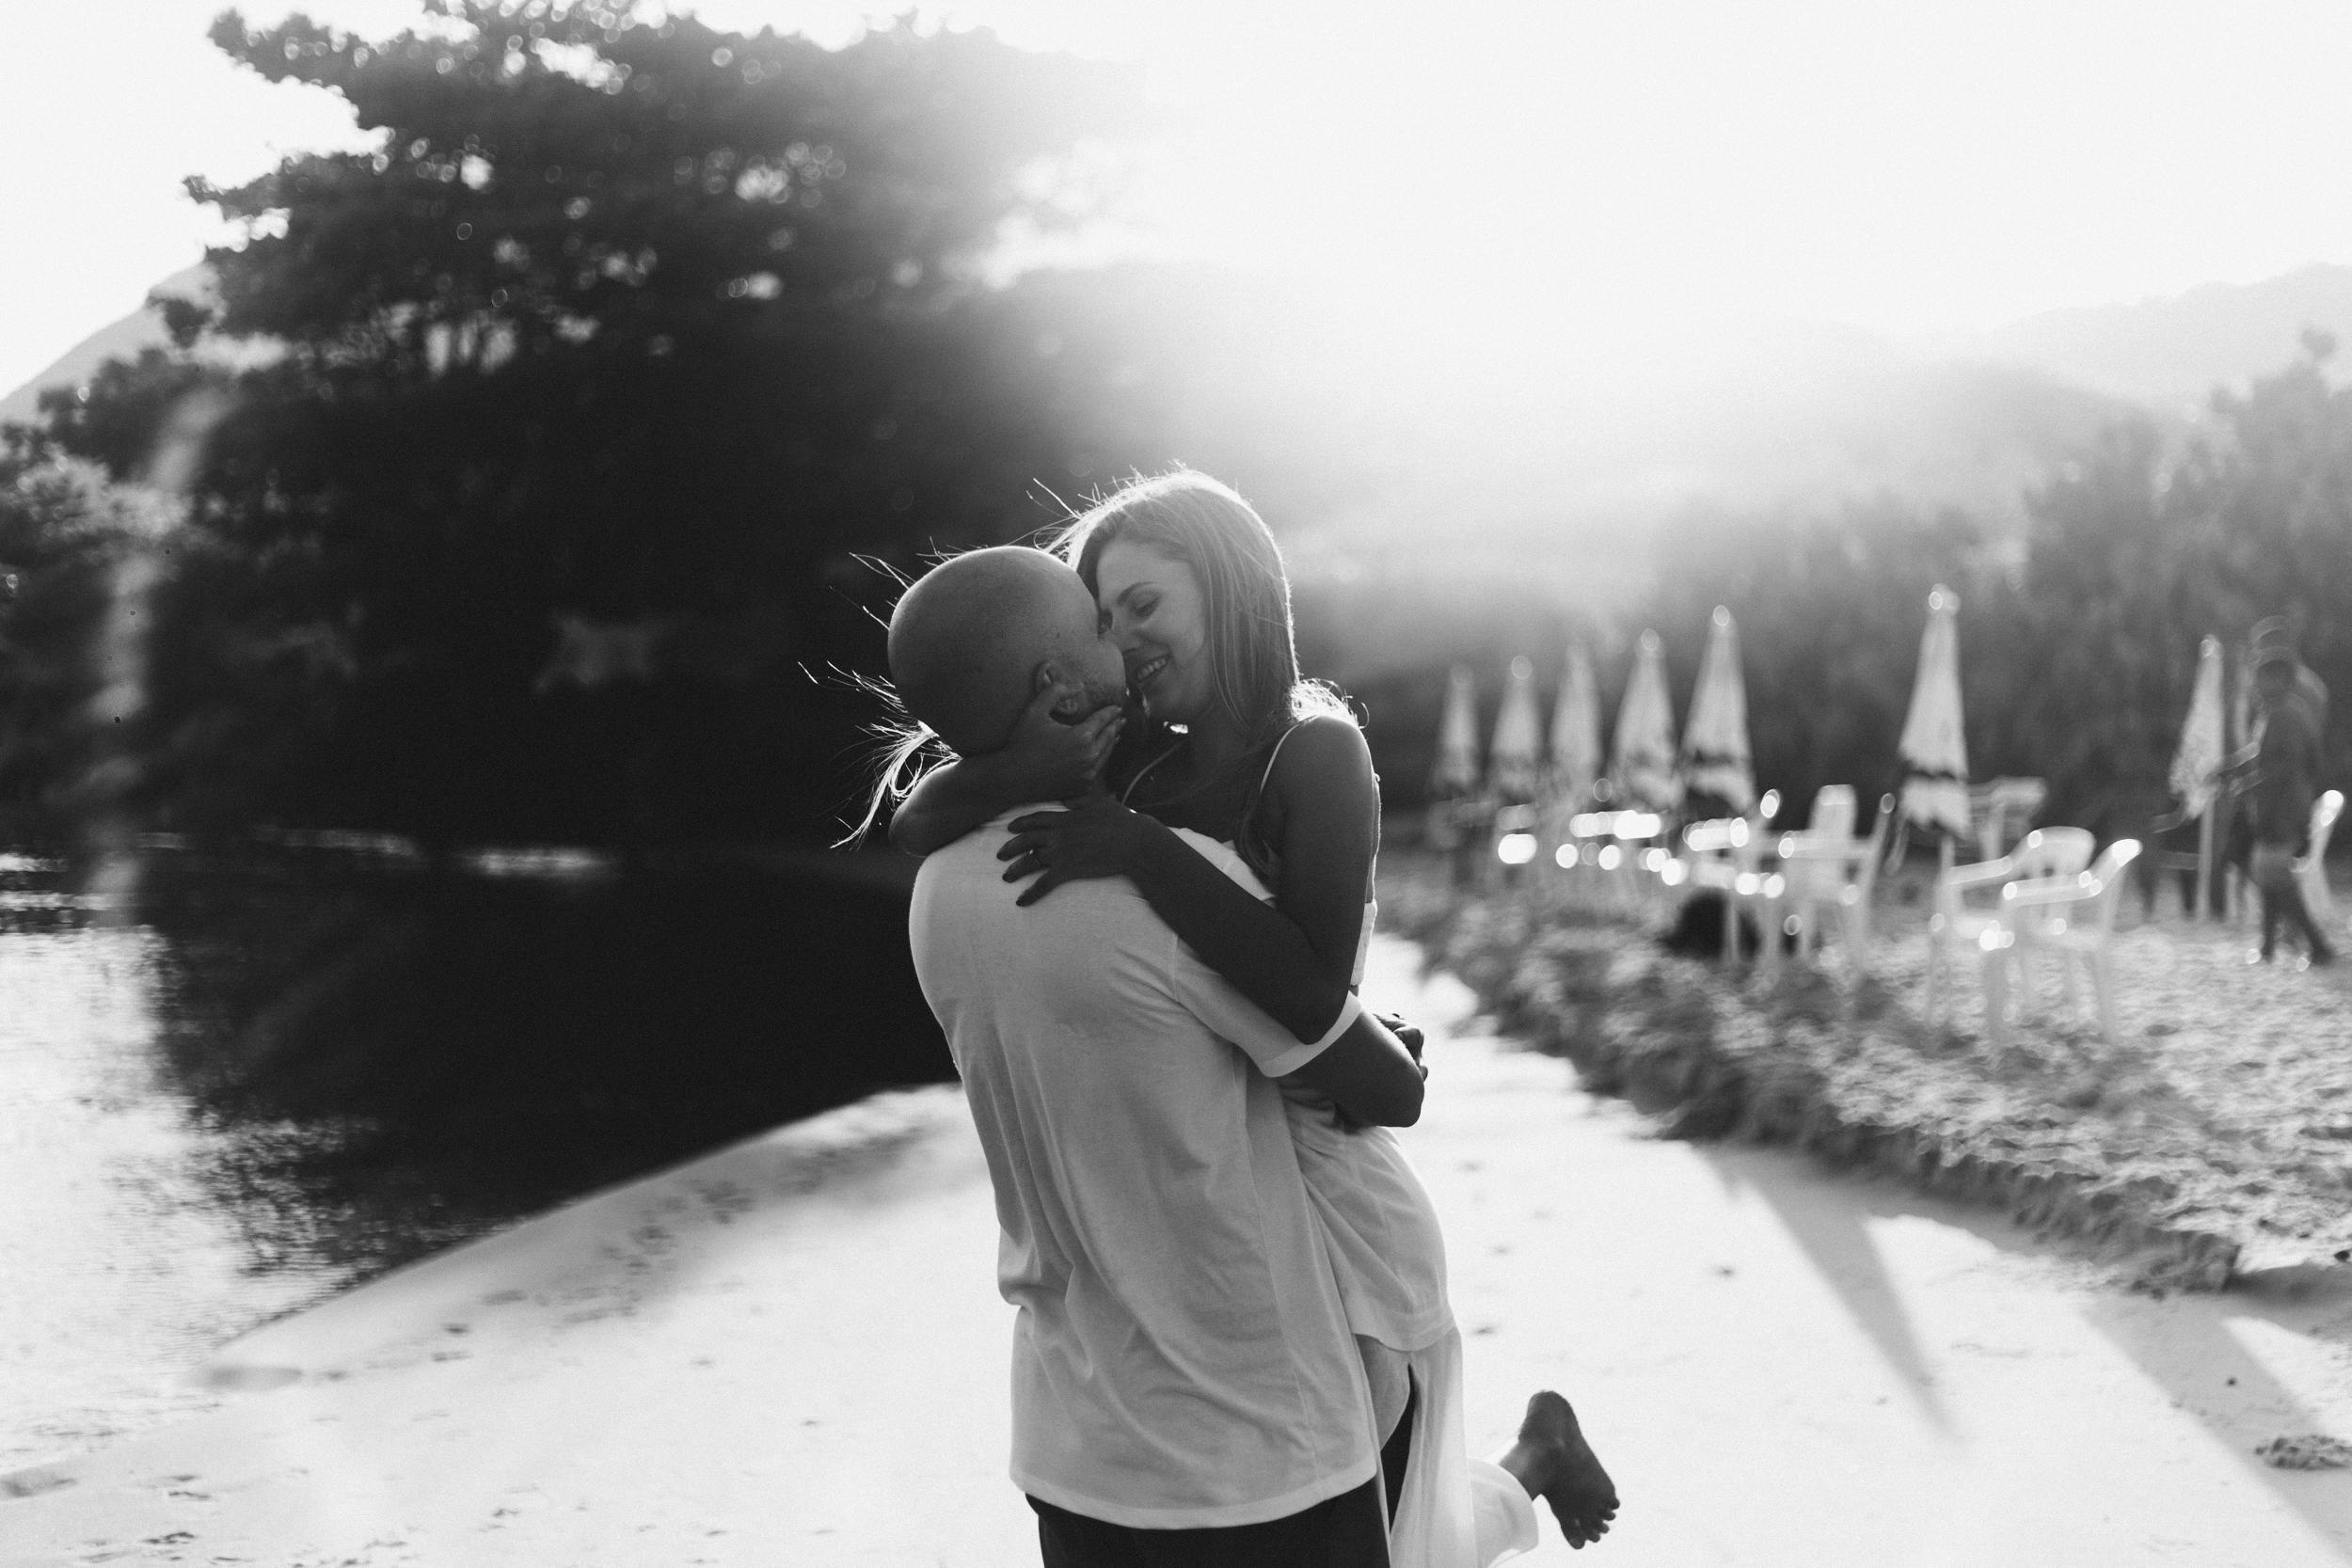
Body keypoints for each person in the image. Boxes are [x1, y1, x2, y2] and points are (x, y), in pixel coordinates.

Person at [886, 472, 1617, 1562]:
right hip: (1227, 1149)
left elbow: (1319, 998)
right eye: (1104, 615)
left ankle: (1533, 1462)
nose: (1125, 641)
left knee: (1391, 1521)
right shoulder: (1133, 749)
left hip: (1325, 1178)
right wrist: (1020, 771)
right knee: (1391, 1525)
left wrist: (1138, 850)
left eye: (1144, 607)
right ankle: (1533, 1463)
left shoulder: (1315, 752)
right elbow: (919, 811)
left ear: (1229, 591)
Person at [2241, 642, 2335, 966]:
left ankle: (2318, 946)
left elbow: (2286, 768)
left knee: (2276, 876)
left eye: (2263, 677)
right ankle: (2268, 946)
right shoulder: (2275, 712)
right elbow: (2260, 756)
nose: (2257, 683)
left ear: (2281, 679)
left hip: (2284, 810)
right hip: (2275, 808)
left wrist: (2249, 785)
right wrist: (2233, 769)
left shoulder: (2286, 715)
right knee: (2268, 874)